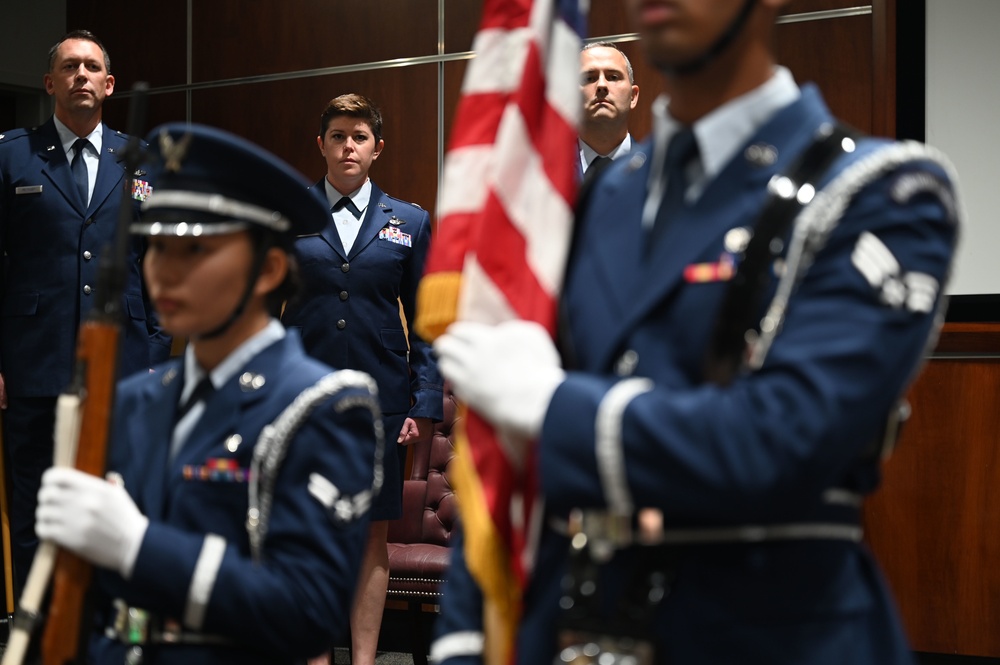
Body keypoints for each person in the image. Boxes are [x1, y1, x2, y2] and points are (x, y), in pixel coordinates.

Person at [430, 0, 960, 663]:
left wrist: (550, 404)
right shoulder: (599, 197)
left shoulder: (877, 190)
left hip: (767, 630)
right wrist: (466, 635)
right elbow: (501, 459)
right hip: (574, 622)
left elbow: (781, 438)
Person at [34, 122, 381, 664]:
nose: (162, 273)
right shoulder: (135, 400)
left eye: (193, 250)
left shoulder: (323, 405)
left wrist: (138, 547)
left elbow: (307, 611)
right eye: (155, 248)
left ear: (267, 269)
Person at [0, 29, 171, 596]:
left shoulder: (142, 161)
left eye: (91, 67)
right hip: (34, 366)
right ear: (49, 83)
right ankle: (38, 638)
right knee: (36, 515)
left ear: (109, 84)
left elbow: (164, 271)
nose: (80, 75)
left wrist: (161, 360)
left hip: (124, 370)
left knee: (115, 510)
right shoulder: (11, 156)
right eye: (69, 67)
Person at [281, 93, 443, 664]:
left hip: (381, 405)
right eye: (337, 136)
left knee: (372, 534)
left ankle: (366, 660)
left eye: (359, 137)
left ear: (377, 148)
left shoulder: (411, 221)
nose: (347, 146)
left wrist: (423, 405)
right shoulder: (287, 215)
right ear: (320, 144)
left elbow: (427, 325)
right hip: (303, 403)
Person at [578, 41, 639, 174]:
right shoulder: (543, 174)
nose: (601, 85)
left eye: (613, 77)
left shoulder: (658, 169)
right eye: (589, 78)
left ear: (633, 97)